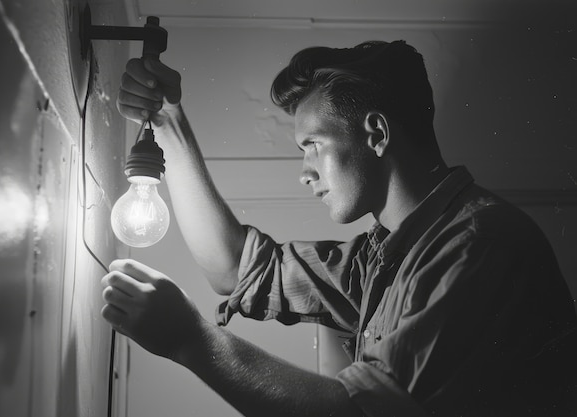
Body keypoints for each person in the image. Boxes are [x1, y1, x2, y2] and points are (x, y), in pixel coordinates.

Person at [101, 40, 577, 416]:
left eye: (312, 144)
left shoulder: (476, 247)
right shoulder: (382, 257)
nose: (304, 172)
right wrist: (166, 119)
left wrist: (190, 339)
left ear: (376, 133)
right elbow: (237, 270)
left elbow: (360, 414)